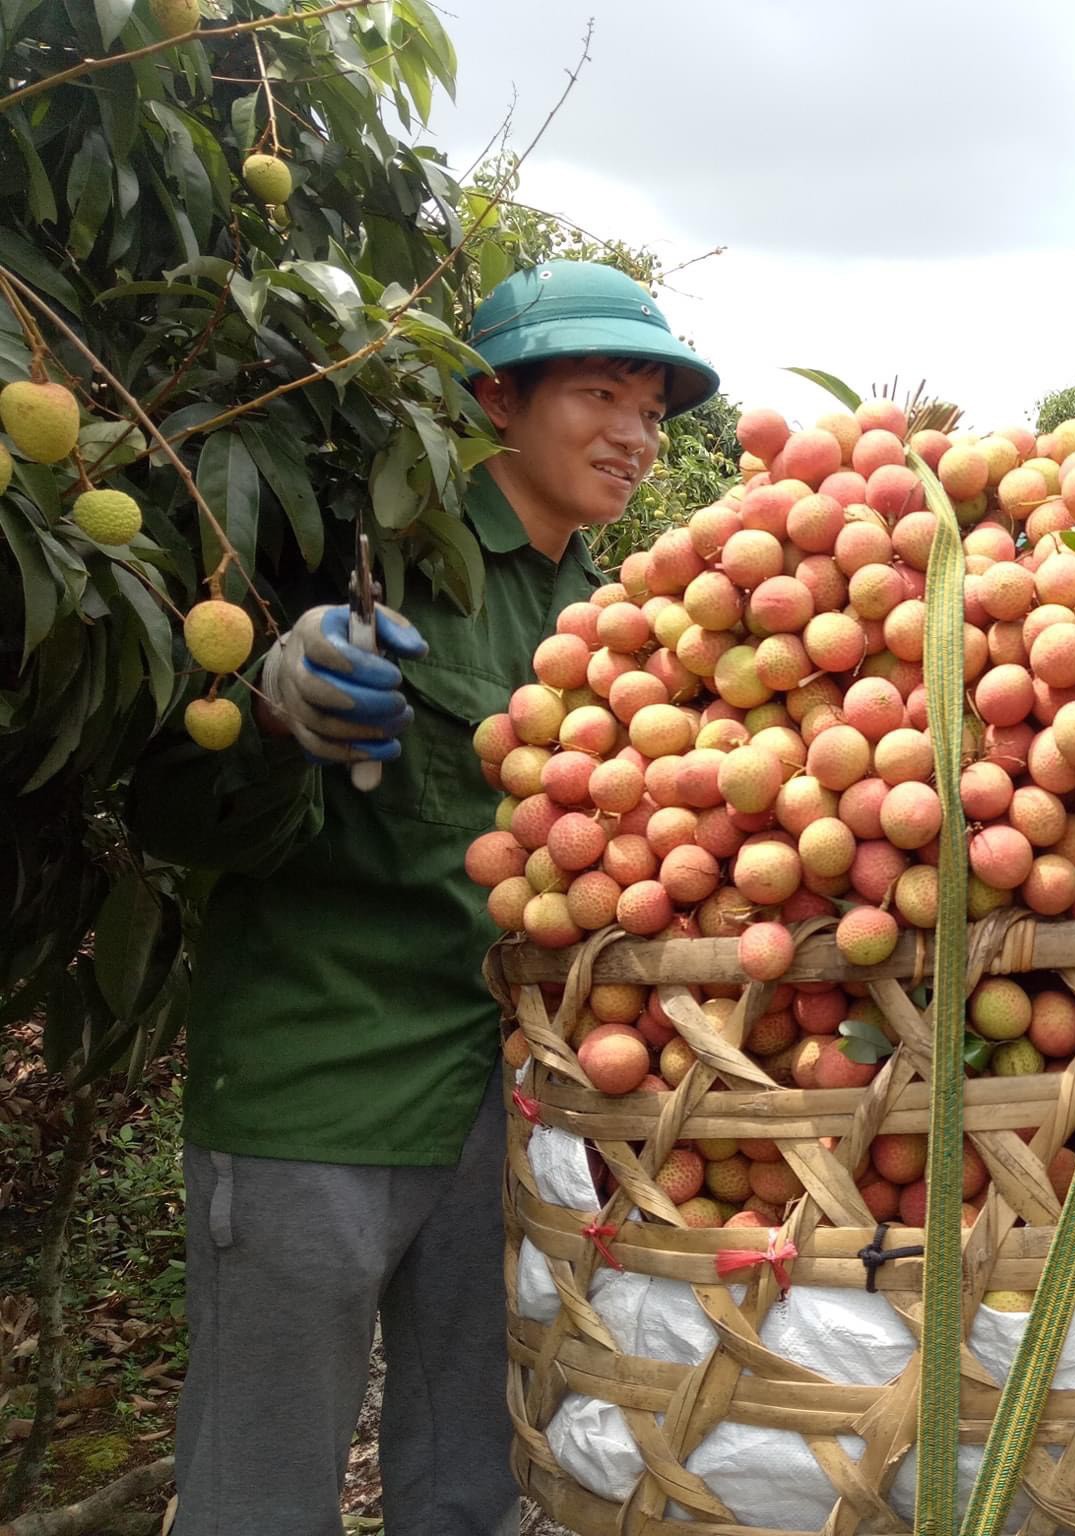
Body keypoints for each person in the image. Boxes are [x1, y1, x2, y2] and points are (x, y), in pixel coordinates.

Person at [134, 261, 718, 1536]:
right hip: (319, 1082)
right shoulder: (368, 554)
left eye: (651, 411)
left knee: (476, 1479)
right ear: (494, 401)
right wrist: (277, 713)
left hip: (501, 1107)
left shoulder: (616, 621)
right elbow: (174, 817)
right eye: (599, 393)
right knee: (260, 1487)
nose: (630, 433)